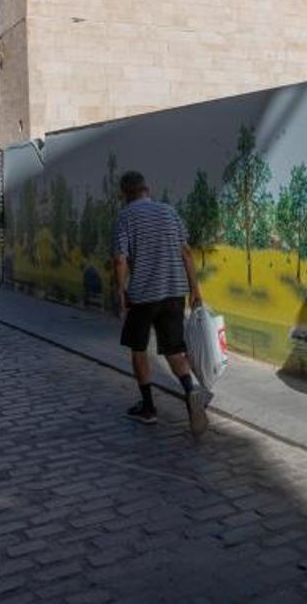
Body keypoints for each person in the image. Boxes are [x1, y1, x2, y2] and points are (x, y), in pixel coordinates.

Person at [112, 170, 208, 435]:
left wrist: (120, 291)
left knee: (138, 349)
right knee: (174, 349)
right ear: (147, 188)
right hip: (174, 293)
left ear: (124, 193)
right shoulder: (169, 212)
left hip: (143, 296)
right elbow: (186, 252)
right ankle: (190, 391)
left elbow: (120, 259)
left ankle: (149, 408)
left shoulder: (125, 217)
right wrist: (194, 289)